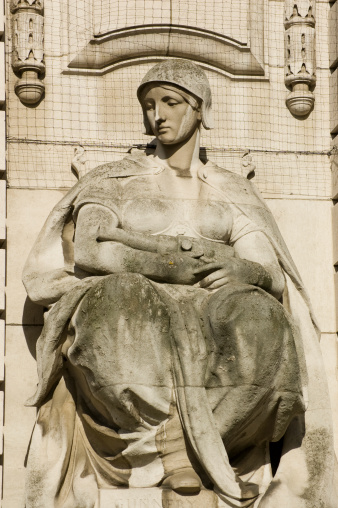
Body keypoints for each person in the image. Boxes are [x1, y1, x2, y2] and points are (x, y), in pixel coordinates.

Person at [23, 59, 337, 508]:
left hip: (217, 310)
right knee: (120, 299)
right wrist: (171, 264)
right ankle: (182, 442)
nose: (158, 116)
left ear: (200, 110)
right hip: (131, 306)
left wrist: (246, 272)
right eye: (149, 105)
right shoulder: (113, 180)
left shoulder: (230, 189)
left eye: (170, 102)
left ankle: (180, 442)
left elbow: (267, 267)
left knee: (265, 316)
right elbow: (92, 251)